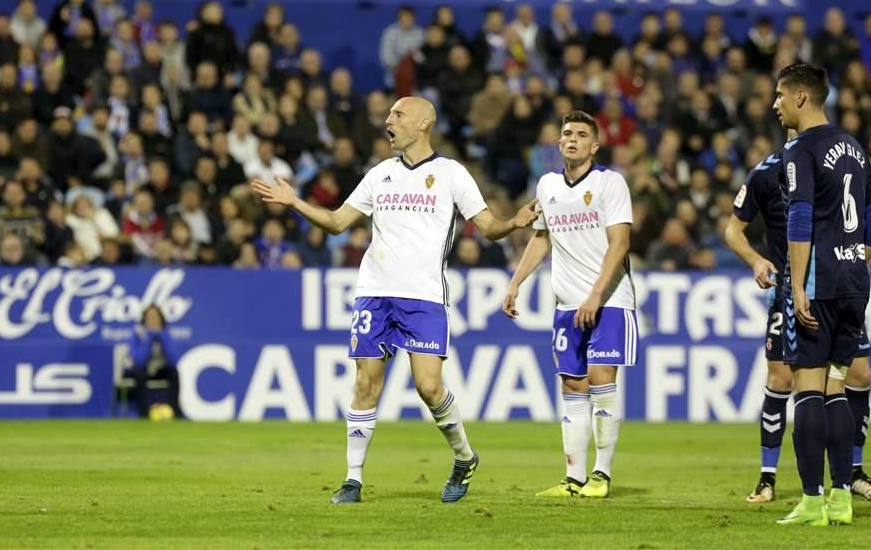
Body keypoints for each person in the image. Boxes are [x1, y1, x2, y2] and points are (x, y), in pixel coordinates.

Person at [252, 96, 538, 505]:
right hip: (374, 292)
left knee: (428, 387)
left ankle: (464, 456)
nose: (388, 121)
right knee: (366, 382)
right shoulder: (379, 175)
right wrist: (295, 202)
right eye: (388, 115)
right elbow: (336, 222)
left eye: (397, 114)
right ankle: (352, 479)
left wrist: (514, 223)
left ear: (423, 123)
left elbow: (488, 226)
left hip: (423, 296)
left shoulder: (451, 174)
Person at [725, 134, 871, 504]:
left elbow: (864, 221)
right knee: (782, 379)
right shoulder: (766, 173)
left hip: (835, 285)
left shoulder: (836, 163)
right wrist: (756, 260)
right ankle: (767, 477)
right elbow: (733, 229)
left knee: (858, 376)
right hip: (791, 291)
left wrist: (866, 258)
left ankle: (850, 473)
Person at [502, 110, 637, 499]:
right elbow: (541, 238)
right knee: (572, 386)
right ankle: (574, 479)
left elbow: (620, 243)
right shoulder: (547, 186)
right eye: (566, 134)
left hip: (609, 301)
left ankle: (602, 475)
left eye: (581, 134)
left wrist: (596, 294)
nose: (573, 139)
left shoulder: (610, 183)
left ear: (595, 145)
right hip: (566, 305)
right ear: (559, 144)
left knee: (601, 382)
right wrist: (515, 282)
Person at [773, 63, 871, 526]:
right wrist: (860, 259)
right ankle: (842, 498)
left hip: (818, 281)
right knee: (838, 386)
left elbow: (799, 218)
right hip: (856, 282)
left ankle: (813, 500)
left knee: (807, 388)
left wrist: (797, 285)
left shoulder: (800, 149)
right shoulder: (854, 147)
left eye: (780, 95)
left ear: (801, 97)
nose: (775, 104)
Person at [126, 304, 181, 418]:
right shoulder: (137, 334)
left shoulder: (165, 333)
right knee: (139, 373)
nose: (153, 320)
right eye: (149, 317)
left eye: (155, 317)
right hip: (141, 370)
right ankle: (144, 413)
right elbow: (139, 360)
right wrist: (149, 337)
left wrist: (162, 336)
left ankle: (176, 411)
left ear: (161, 319)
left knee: (173, 372)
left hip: (160, 369)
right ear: (144, 319)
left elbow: (173, 360)